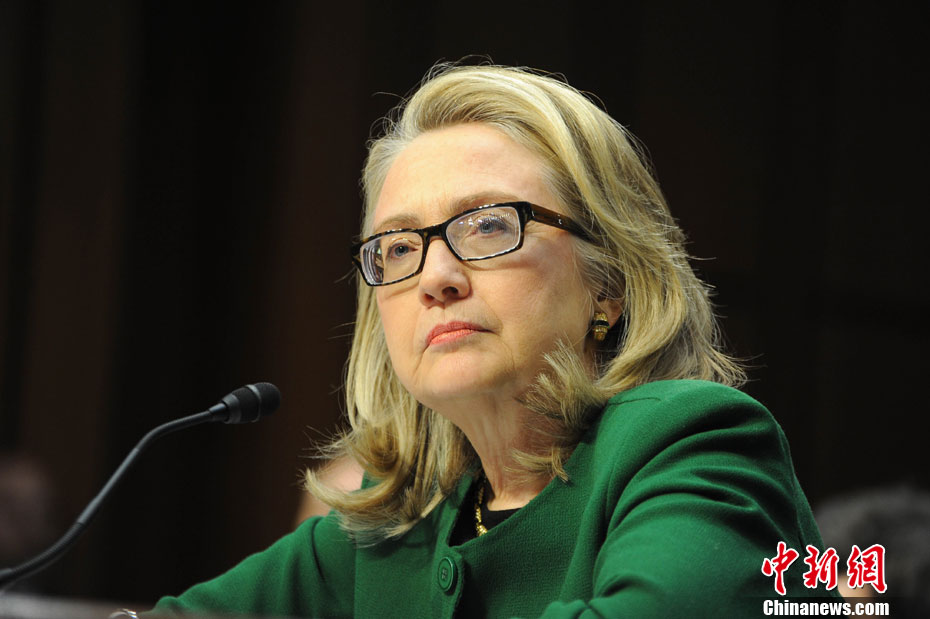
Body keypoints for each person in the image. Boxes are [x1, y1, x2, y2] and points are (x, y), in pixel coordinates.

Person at [150, 63, 839, 617]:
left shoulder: (691, 446)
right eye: (397, 246)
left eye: (486, 225)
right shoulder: (396, 516)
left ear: (610, 282)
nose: (435, 277)